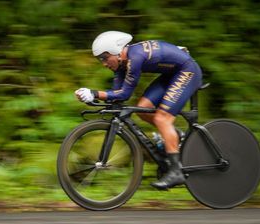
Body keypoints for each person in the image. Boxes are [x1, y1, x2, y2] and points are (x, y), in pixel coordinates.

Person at [74, 31, 203, 190]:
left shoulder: (135, 58)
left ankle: (176, 172)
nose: (104, 63)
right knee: (143, 109)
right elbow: (117, 97)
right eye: (100, 59)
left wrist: (94, 93)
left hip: (187, 71)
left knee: (162, 119)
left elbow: (125, 93)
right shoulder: (121, 64)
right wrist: (96, 98)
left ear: (117, 51)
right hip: (172, 74)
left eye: (104, 57)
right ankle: (175, 137)